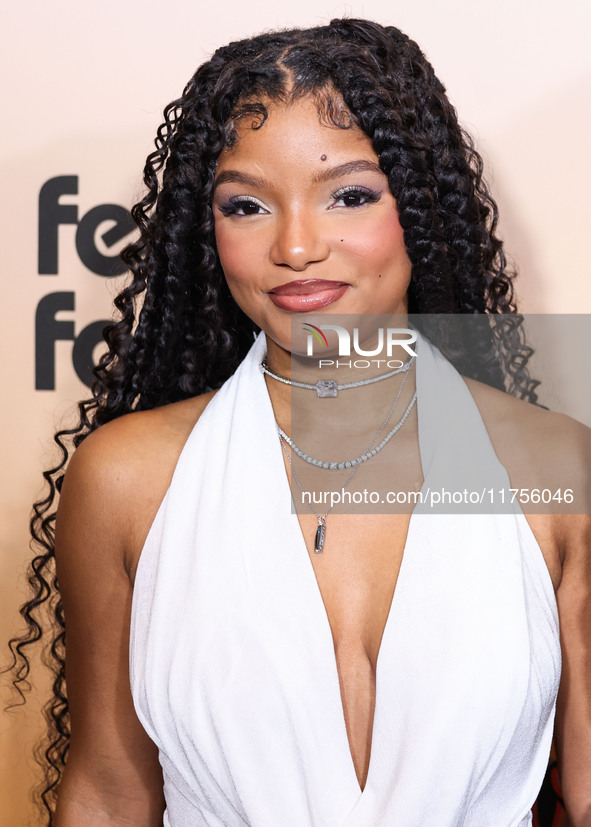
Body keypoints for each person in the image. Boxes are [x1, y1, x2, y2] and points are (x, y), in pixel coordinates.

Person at [7, 17, 591, 827]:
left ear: (418, 207)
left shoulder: (554, 469)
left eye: (349, 195)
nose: (296, 245)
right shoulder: (130, 478)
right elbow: (109, 793)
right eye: (245, 206)